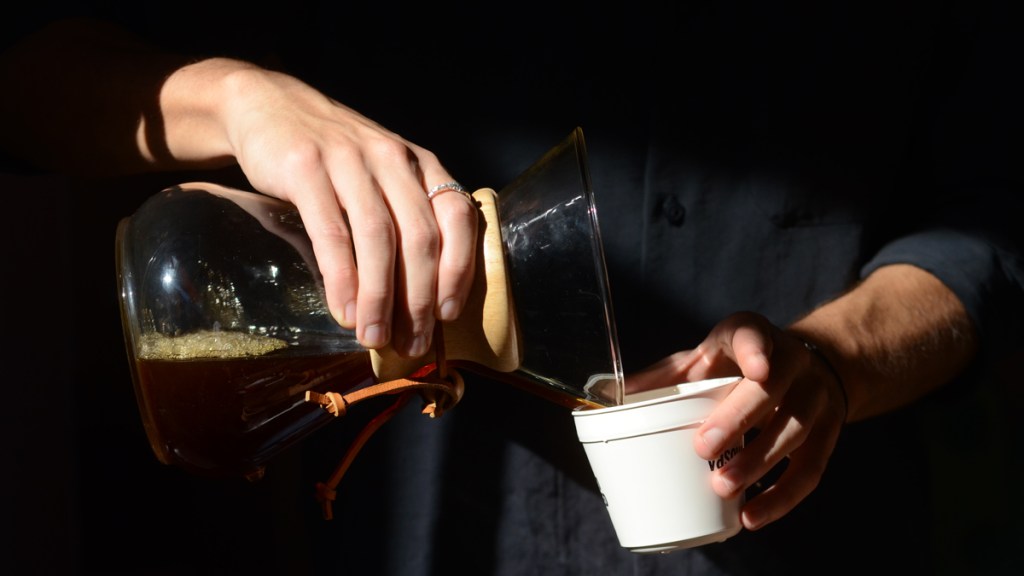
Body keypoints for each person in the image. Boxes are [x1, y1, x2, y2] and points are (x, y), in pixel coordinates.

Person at [3, 1, 1022, 575]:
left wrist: (834, 363)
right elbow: (26, 78)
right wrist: (234, 96)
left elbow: (994, 231)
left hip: (817, 552)